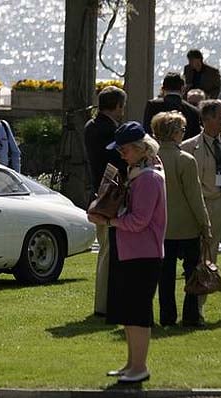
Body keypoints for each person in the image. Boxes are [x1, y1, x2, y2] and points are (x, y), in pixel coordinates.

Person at [88, 121, 166, 384]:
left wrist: (109, 221)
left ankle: (139, 366)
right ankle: (132, 363)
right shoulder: (138, 173)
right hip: (132, 251)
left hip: (143, 254)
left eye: (125, 151)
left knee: (138, 314)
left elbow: (140, 221)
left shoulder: (148, 178)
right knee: (129, 313)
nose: (121, 155)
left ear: (140, 149)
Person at [153, 111, 211, 327]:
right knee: (192, 274)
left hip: (162, 227)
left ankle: (167, 316)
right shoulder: (185, 160)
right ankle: (191, 316)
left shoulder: (152, 158)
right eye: (183, 130)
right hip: (186, 226)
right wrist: (205, 225)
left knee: (165, 276)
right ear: (176, 133)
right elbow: (195, 198)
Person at [181, 100, 221, 320]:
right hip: (208, 204)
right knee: (205, 258)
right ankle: (198, 309)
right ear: (207, 120)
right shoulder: (189, 147)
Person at [84, 85, 128, 316]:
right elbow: (118, 163)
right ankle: (106, 305)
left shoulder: (92, 125)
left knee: (106, 249)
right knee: (110, 251)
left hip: (98, 193)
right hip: (110, 197)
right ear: (118, 106)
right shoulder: (108, 130)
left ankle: (107, 303)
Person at [143, 72, 201, 141]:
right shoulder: (193, 111)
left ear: (163, 88)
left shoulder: (152, 105)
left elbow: (147, 131)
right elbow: (196, 138)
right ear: (183, 88)